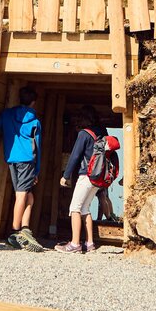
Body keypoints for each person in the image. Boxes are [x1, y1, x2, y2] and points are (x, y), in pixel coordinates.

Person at [0, 86, 43, 252]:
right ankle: (16, 232)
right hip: (27, 160)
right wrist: (36, 171)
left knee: (28, 195)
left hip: (11, 158)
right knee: (22, 195)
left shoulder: (7, 114)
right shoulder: (35, 121)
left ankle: (25, 227)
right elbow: (38, 147)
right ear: (33, 102)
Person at [56, 105, 104, 254]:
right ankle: (89, 243)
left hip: (86, 176)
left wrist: (66, 176)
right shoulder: (101, 133)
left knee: (74, 208)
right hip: (98, 178)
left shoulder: (84, 134)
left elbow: (75, 156)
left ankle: (75, 244)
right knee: (85, 209)